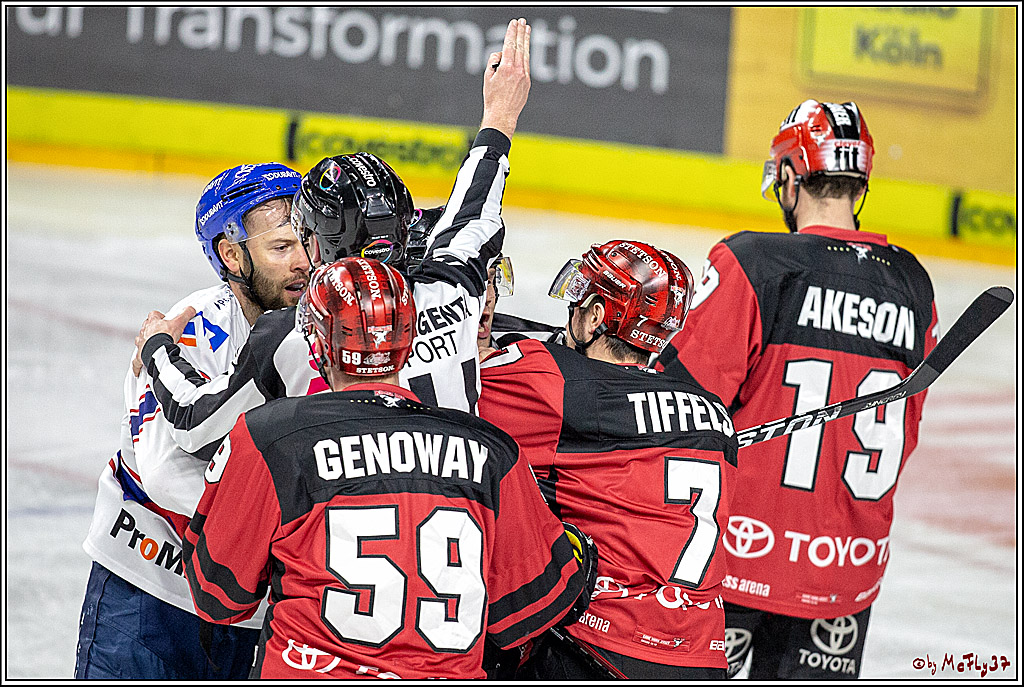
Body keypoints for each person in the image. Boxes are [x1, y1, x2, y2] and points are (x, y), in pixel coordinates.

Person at [133, 19, 533, 466]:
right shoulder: (453, 289)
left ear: (318, 245)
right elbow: (472, 209)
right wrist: (500, 116)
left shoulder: (295, 332)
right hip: (466, 518)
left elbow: (195, 424)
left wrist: (157, 350)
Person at [182, 257, 592, 678]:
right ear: (409, 341)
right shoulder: (492, 450)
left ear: (318, 344)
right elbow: (528, 608)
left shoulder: (271, 436)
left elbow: (219, 595)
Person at [654, 100, 939, 679]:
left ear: (788, 174)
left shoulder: (752, 262)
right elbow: (904, 430)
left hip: (735, 560)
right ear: (860, 180)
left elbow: (681, 409)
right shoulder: (912, 283)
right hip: (845, 572)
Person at [76, 162, 306, 678]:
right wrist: (291, 527)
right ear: (232, 255)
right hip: (146, 589)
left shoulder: (322, 334)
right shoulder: (186, 331)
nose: (303, 263)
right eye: (281, 248)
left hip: (253, 609)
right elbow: (164, 474)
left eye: (305, 242)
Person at [478, 240, 739, 679]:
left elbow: (442, 387)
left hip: (598, 649)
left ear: (597, 315)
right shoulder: (714, 414)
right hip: (703, 656)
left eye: (583, 296)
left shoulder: (553, 381)